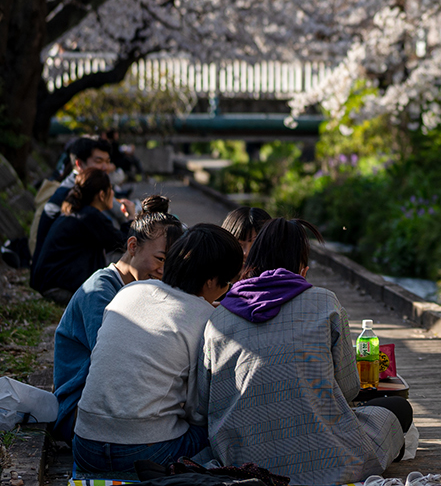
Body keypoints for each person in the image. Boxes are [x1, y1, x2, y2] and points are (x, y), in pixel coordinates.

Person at [200, 219, 409, 485]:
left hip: (242, 461)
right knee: (397, 409)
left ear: (251, 262)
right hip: (325, 459)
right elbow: (347, 388)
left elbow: (201, 404)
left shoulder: (218, 317)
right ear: (303, 268)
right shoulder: (324, 302)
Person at [73, 224, 244, 479]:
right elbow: (198, 411)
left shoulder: (128, 292)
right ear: (211, 280)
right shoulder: (208, 321)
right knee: (216, 432)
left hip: (84, 444)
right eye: (228, 283)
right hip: (143, 453)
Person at [51, 197, 184, 443]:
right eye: (161, 259)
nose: (164, 272)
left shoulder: (141, 286)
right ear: (132, 246)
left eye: (171, 264)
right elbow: (116, 361)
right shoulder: (100, 290)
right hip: (79, 411)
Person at [29, 171, 128, 304]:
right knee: (126, 257)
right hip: (59, 288)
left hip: (51, 284)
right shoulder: (90, 215)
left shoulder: (78, 211)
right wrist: (131, 218)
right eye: (111, 189)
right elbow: (125, 242)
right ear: (102, 194)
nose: (113, 193)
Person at [32, 137, 115, 264]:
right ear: (79, 164)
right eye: (99, 161)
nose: (105, 167)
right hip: (58, 271)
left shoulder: (79, 186)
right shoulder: (74, 192)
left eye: (107, 161)